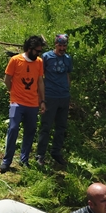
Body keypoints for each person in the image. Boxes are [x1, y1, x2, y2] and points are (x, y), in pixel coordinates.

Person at [0, 35, 47, 173]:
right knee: (13, 129)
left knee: (30, 131)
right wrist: (13, 93)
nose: (38, 54)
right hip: (16, 103)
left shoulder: (39, 62)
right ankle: (6, 161)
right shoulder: (15, 60)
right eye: (37, 51)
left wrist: (42, 101)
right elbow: (7, 79)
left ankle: (24, 159)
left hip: (32, 103)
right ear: (29, 49)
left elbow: (40, 82)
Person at [36, 33, 72, 167]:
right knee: (46, 126)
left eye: (64, 45)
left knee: (61, 127)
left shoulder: (68, 58)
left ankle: (56, 152)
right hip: (50, 95)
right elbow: (40, 76)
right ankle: (40, 154)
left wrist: (68, 91)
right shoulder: (46, 57)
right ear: (55, 44)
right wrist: (41, 98)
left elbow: (67, 75)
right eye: (60, 45)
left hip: (64, 96)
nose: (62, 48)